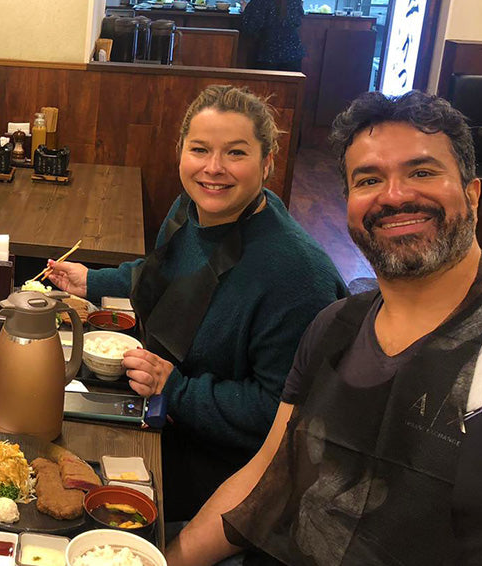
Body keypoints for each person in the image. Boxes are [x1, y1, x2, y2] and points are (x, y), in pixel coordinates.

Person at [166, 90, 482, 566]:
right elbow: (267, 472)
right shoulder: (335, 327)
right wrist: (165, 561)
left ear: (472, 193)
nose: (395, 196)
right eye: (369, 179)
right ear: (350, 203)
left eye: (422, 172)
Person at [46, 85, 346, 519]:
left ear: (268, 163)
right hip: (159, 412)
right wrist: (91, 280)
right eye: (200, 149)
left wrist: (177, 389)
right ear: (180, 152)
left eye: (236, 154)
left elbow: (282, 413)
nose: (214, 168)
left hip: (229, 476)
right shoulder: (190, 208)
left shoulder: (296, 274)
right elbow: (164, 275)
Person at [240, 0, 307, 72]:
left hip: (266, 54)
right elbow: (297, 21)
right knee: (291, 82)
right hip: (292, 54)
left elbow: (250, 27)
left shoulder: (260, 2)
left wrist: (246, 10)